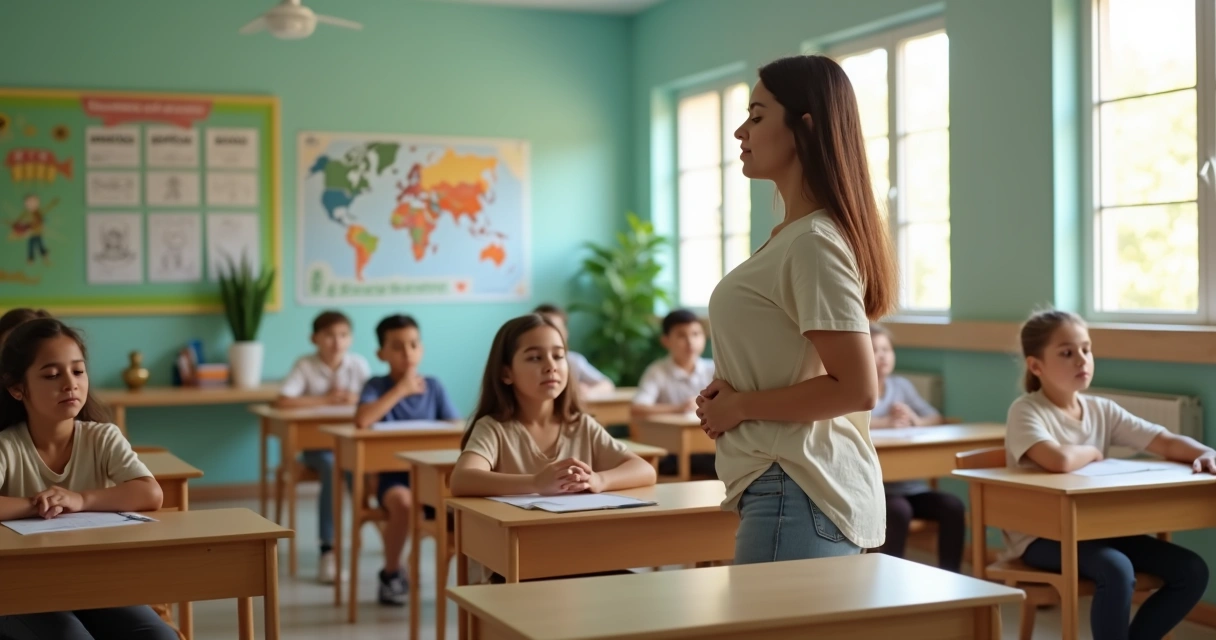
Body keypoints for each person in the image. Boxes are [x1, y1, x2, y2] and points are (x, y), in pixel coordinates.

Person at [694, 55, 898, 564]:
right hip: (786, 483)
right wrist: (732, 395)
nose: (741, 131)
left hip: (796, 486)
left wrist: (740, 406)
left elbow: (856, 388)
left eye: (757, 116)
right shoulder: (794, 237)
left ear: (804, 127)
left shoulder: (813, 242)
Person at [1005, 309, 1211, 640]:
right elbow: (1058, 459)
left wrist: (1207, 452)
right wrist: (1093, 451)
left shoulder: (1102, 409)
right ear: (1036, 366)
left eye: (1086, 349)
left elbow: (1164, 440)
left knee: (1191, 570)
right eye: (1067, 353)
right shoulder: (1026, 410)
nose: (1081, 360)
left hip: (1095, 527)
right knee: (1116, 569)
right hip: (1042, 537)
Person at [0, 318, 176, 639]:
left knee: (159, 636)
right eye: (52, 375)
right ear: (16, 388)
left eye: (78, 371)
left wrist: (79, 500)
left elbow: (150, 493)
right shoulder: (6, 446)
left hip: (95, 581)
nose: (70, 384)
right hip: (19, 588)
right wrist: (36, 504)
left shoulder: (102, 437)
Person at [450, 314, 656, 581]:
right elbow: (462, 479)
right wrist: (536, 482)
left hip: (579, 559)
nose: (551, 367)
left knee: (635, 591)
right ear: (506, 373)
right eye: (535, 358)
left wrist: (599, 479)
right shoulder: (494, 428)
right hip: (513, 566)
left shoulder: (580, 425)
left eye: (558, 356)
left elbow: (644, 470)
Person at [354, 314, 459, 605]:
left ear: (421, 349)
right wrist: (401, 389)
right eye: (397, 346)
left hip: (432, 480)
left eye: (413, 344)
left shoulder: (434, 386)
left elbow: (456, 428)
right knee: (403, 503)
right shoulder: (376, 385)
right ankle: (391, 573)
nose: (407, 352)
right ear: (381, 354)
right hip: (392, 479)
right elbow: (362, 420)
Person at [274, 310, 370, 584]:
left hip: (350, 445)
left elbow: (372, 401)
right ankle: (328, 550)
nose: (337, 342)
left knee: (359, 467)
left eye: (343, 335)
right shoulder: (305, 364)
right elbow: (283, 400)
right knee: (332, 466)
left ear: (351, 339)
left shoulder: (358, 364)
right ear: (314, 338)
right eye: (329, 335)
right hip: (316, 449)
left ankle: (366, 529)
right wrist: (326, 400)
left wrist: (354, 399)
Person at [868, 323, 964, 572]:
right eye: (874, 350)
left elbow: (935, 417)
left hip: (912, 487)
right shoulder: (856, 389)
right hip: (878, 490)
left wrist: (914, 419)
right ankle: (890, 579)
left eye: (886, 349)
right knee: (899, 511)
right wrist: (885, 423)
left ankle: (951, 576)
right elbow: (844, 422)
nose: (882, 356)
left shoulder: (901, 386)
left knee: (953, 506)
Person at [632, 309, 716, 477]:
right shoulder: (657, 371)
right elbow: (637, 409)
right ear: (666, 341)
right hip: (672, 453)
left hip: (713, 444)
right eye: (681, 335)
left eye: (696, 334)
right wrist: (679, 408)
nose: (690, 342)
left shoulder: (713, 369)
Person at [532, 304, 614, 396]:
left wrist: (586, 391)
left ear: (566, 333)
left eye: (557, 330)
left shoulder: (574, 360)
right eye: (535, 358)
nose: (551, 366)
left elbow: (606, 384)